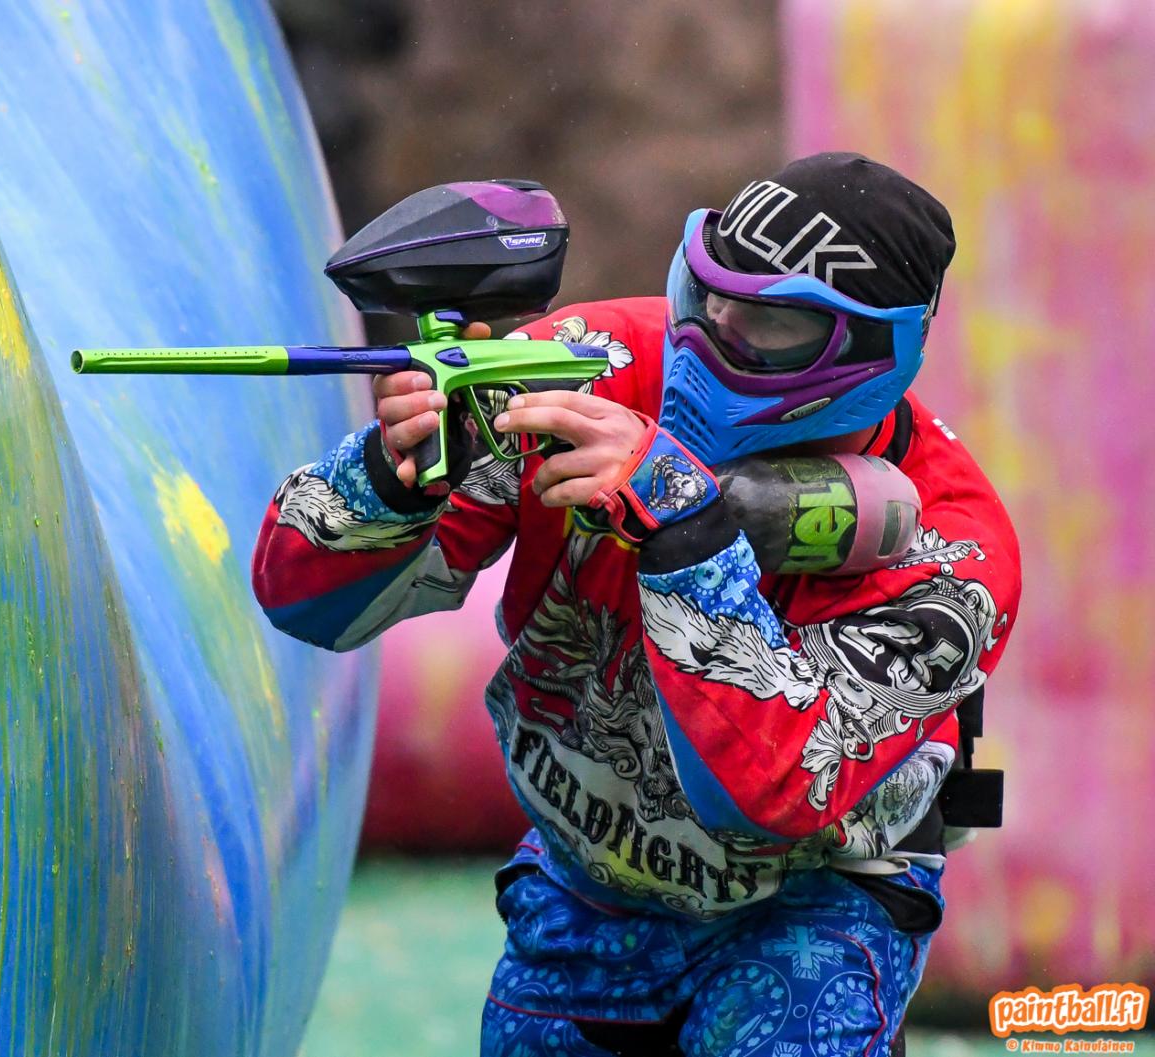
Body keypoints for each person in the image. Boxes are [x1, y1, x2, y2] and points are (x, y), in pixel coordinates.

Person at [251, 152, 1021, 1056]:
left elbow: (771, 788)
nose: (713, 338)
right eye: (706, 295)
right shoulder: (592, 365)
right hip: (590, 885)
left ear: (873, 352)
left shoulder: (955, 553)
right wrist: (393, 478)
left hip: (818, 897)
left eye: (769, 322)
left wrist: (682, 530)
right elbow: (304, 603)